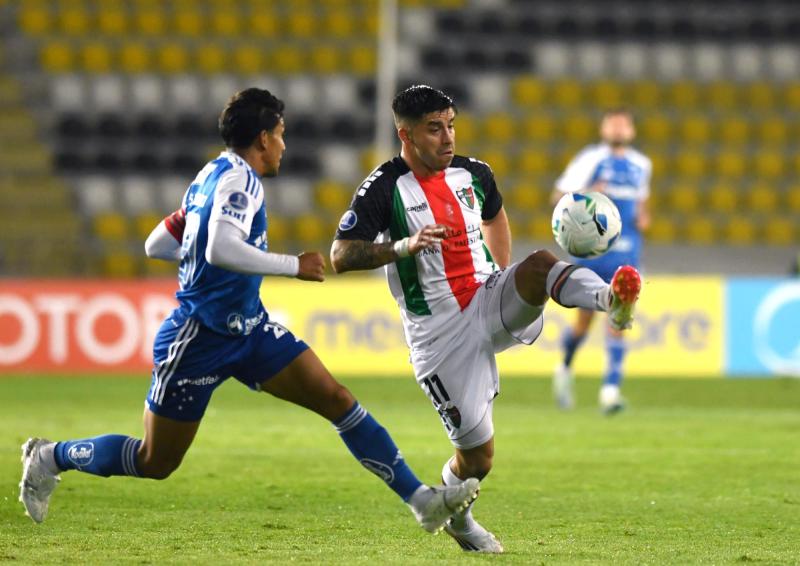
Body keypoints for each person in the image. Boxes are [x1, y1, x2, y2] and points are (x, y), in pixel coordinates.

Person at [19, 88, 479, 535]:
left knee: (337, 399)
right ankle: (49, 457)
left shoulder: (210, 174)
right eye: (280, 134)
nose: (283, 145)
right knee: (154, 462)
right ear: (263, 138)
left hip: (249, 330)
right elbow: (220, 246)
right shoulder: (241, 181)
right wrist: (291, 266)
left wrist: (199, 252)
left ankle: (422, 501)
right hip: (198, 338)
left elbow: (156, 243)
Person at [330, 85, 641, 553]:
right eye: (434, 129)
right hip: (439, 335)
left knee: (538, 265)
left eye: (451, 125)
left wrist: (498, 269)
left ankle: (610, 301)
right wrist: (401, 246)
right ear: (406, 135)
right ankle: (458, 517)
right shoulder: (384, 187)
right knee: (478, 458)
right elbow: (340, 255)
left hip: (486, 297)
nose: (447, 137)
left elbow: (495, 216)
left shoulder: (474, 172)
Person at [551, 108, 651, 414]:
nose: (619, 128)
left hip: (627, 250)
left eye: (624, 124)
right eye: (613, 123)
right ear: (604, 128)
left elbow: (642, 202)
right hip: (592, 252)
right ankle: (565, 368)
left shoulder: (642, 165)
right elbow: (558, 197)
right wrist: (587, 192)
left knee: (619, 319)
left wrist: (644, 216)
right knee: (583, 323)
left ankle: (610, 391)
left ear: (631, 131)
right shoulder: (589, 159)